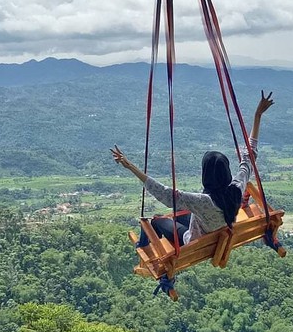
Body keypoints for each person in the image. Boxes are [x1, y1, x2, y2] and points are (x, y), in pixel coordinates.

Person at [112, 91, 274, 247]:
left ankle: (146, 247)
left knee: (157, 220)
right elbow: (249, 157)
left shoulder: (202, 201)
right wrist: (257, 115)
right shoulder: (236, 188)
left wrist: (130, 166)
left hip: (193, 240)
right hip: (215, 230)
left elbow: (164, 193)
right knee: (179, 214)